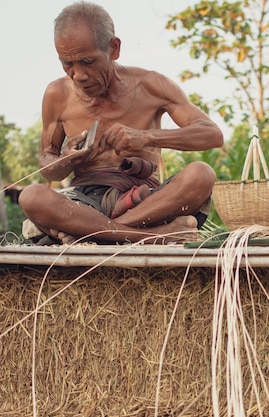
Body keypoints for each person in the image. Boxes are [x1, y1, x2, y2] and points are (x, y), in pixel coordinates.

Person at [19, 1, 224, 245]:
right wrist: (67, 159)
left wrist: (146, 137)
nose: (78, 75)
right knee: (31, 196)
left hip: (145, 202)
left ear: (114, 49)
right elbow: (47, 164)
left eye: (87, 62)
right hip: (84, 203)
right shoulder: (57, 93)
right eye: (67, 63)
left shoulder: (151, 84)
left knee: (201, 174)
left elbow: (212, 134)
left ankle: (95, 233)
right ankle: (152, 237)